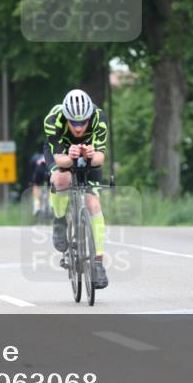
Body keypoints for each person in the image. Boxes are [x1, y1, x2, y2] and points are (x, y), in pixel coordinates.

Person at [44, 89, 110, 289]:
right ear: (66, 117)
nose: (79, 127)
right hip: (61, 152)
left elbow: (100, 159)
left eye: (83, 122)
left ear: (90, 116)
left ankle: (98, 264)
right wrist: (71, 156)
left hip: (89, 155)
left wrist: (90, 155)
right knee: (61, 179)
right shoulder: (53, 119)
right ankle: (60, 219)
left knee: (93, 203)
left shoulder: (99, 118)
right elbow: (60, 160)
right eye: (74, 122)